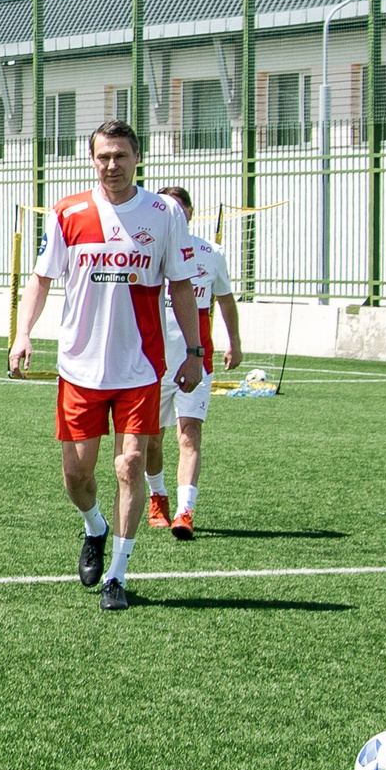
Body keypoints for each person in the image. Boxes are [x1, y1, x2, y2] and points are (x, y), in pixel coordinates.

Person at [7, 122, 203, 610]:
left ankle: (117, 573)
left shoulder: (162, 214)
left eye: (120, 155)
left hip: (139, 367)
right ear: (91, 160)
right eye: (102, 157)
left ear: (138, 157)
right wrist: (23, 333)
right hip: (79, 367)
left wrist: (195, 353)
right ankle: (94, 527)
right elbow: (41, 278)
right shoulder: (68, 212)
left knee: (131, 462)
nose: (111, 165)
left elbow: (180, 285)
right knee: (76, 475)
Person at [142, 186, 241, 542]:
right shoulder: (146, 249)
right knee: (152, 441)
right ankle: (158, 497)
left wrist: (235, 343)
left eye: (180, 210)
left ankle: (185, 511)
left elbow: (226, 300)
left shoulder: (210, 253)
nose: (175, 216)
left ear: (189, 213)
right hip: (153, 364)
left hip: (197, 362)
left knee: (190, 435)